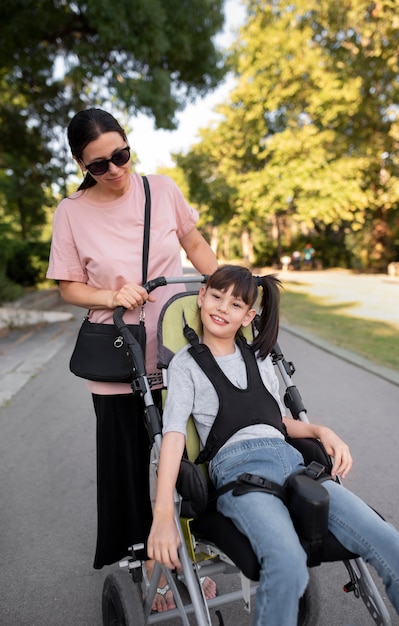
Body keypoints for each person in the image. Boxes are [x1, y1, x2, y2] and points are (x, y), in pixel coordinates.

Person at [148, 264, 399, 626]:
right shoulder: (185, 366)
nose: (222, 308)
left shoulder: (259, 359)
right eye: (216, 296)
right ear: (201, 297)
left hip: (294, 466)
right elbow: (175, 436)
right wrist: (163, 513)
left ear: (248, 316)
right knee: (287, 564)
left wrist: (323, 431)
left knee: (395, 546)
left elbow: (277, 422)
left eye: (235, 304)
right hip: (240, 475)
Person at [46, 107, 218, 611]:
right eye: (100, 164)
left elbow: (193, 243)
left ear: (128, 146)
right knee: (125, 468)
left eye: (121, 155)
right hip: (117, 357)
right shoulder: (70, 212)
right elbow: (68, 287)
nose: (115, 169)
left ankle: (191, 554)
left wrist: (231, 281)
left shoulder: (161, 189)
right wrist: (109, 297)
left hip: (177, 347)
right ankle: (147, 561)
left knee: (188, 461)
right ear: (81, 164)